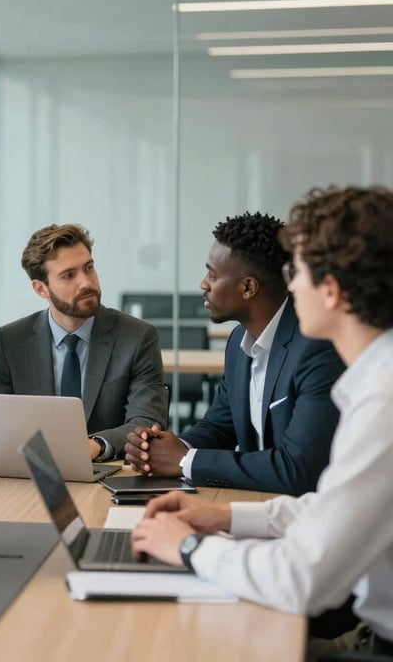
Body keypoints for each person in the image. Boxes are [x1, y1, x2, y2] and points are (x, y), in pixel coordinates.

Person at [131, 186, 393, 657]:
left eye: (297, 272)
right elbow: (333, 506)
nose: (289, 285)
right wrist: (226, 515)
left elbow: (302, 578)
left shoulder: (383, 401)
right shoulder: (377, 380)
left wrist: (190, 548)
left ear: (331, 290)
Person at [125, 212, 344, 494]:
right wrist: (164, 448)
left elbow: (298, 469)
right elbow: (219, 427)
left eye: (212, 275)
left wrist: (184, 461)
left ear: (248, 287)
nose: (203, 284)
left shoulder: (315, 348)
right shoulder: (240, 341)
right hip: (262, 506)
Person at [0, 223, 167, 460]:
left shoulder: (137, 337)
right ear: (41, 289)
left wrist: (95, 445)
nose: (86, 282)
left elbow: (146, 421)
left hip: (109, 474)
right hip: (33, 475)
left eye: (89, 268)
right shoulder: (11, 341)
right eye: (69, 275)